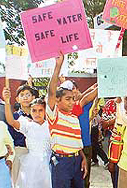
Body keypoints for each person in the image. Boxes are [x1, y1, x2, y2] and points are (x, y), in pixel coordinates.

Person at [46, 53, 87, 188]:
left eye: (73, 99)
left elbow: (76, 142)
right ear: (57, 100)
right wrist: (58, 66)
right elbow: (51, 91)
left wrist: (83, 158)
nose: (71, 102)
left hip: (77, 161)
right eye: (67, 99)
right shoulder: (54, 115)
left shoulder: (74, 118)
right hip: (61, 163)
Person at [3, 85, 51, 188]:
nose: (37, 113)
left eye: (40, 110)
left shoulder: (50, 125)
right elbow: (11, 121)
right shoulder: (27, 124)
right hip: (31, 163)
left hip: (48, 161)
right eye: (34, 111)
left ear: (45, 111)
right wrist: (7, 102)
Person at [8, 84, 37, 185]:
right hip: (19, 152)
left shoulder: (38, 116)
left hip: (35, 153)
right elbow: (10, 137)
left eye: (28, 94)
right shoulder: (14, 117)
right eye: (22, 95)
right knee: (17, 181)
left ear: (33, 97)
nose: (25, 97)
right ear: (17, 99)